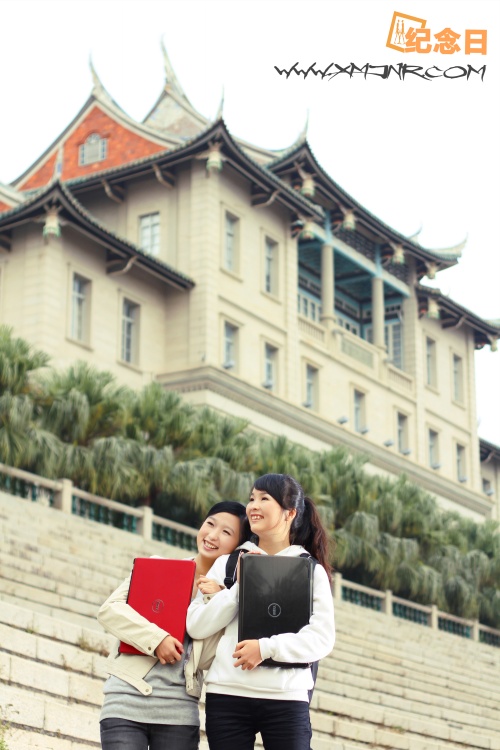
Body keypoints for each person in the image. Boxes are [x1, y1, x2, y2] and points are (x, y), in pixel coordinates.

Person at [186, 473, 335, 750]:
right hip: (227, 695)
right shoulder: (228, 563)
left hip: (286, 698)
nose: (253, 505)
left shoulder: (309, 569)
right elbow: (195, 625)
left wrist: (265, 649)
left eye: (265, 499)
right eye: (252, 498)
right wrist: (239, 589)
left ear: (290, 513)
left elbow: (322, 637)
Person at [97, 500, 247, 750]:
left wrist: (216, 598)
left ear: (237, 547)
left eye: (226, 532)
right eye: (210, 524)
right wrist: (156, 640)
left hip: (179, 713)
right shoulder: (157, 567)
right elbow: (109, 610)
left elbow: (208, 659)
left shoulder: (227, 599)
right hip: (125, 701)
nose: (212, 535)